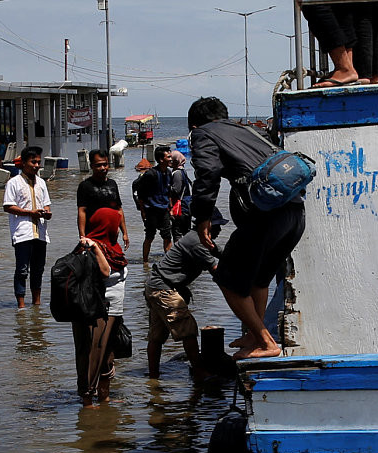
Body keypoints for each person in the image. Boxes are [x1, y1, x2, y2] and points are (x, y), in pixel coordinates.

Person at [188, 96, 302, 360]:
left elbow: (207, 174)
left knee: (227, 277)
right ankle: (254, 335)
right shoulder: (251, 130)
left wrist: (202, 217)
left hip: (265, 216)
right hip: (295, 212)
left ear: (195, 125)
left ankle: (265, 341)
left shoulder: (202, 134)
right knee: (260, 278)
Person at [145, 211, 220, 376]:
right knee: (188, 329)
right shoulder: (197, 242)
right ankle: (200, 373)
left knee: (157, 336)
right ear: (206, 225)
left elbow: (220, 254)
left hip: (155, 286)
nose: (220, 230)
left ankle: (153, 377)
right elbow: (217, 272)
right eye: (217, 225)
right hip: (164, 288)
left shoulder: (200, 239)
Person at [71, 207, 129, 405]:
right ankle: (87, 404)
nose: (119, 229)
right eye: (115, 225)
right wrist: (95, 247)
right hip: (95, 312)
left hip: (113, 311)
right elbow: (105, 272)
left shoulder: (114, 248)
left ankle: (104, 398)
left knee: (107, 357)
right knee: (91, 357)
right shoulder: (88, 248)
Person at [3, 147, 52, 310]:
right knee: (22, 270)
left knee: (38, 270)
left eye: (38, 162)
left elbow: (46, 203)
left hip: (41, 233)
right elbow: (8, 206)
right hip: (22, 233)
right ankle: (21, 306)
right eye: (33, 162)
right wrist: (30, 213)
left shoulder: (42, 182)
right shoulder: (14, 183)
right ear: (24, 163)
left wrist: (46, 212)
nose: (37, 165)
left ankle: (36, 304)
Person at [74, 149, 127, 247]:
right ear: (91, 166)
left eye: (105, 164)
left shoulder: (113, 184)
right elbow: (82, 211)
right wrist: (82, 236)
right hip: (93, 234)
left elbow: (119, 209)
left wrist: (125, 233)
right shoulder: (85, 186)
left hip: (112, 234)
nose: (103, 168)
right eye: (98, 165)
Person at [133, 149, 173, 257]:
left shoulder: (169, 173)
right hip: (151, 210)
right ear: (161, 160)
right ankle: (145, 262)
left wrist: (171, 207)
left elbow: (169, 191)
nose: (171, 159)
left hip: (164, 209)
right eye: (168, 157)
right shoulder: (150, 174)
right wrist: (143, 212)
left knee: (167, 236)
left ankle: (169, 262)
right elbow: (141, 194)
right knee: (150, 236)